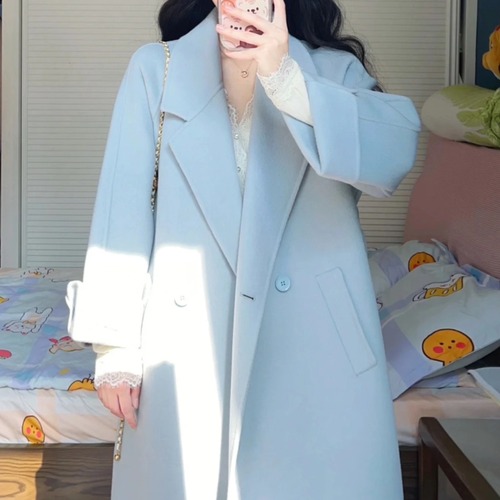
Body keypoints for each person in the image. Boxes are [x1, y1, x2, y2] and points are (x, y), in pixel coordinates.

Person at [66, 0, 420, 498]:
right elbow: (122, 207)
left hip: (316, 347)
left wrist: (285, 76)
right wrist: (115, 345)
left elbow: (393, 156)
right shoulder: (156, 69)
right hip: (187, 343)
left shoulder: (334, 72)